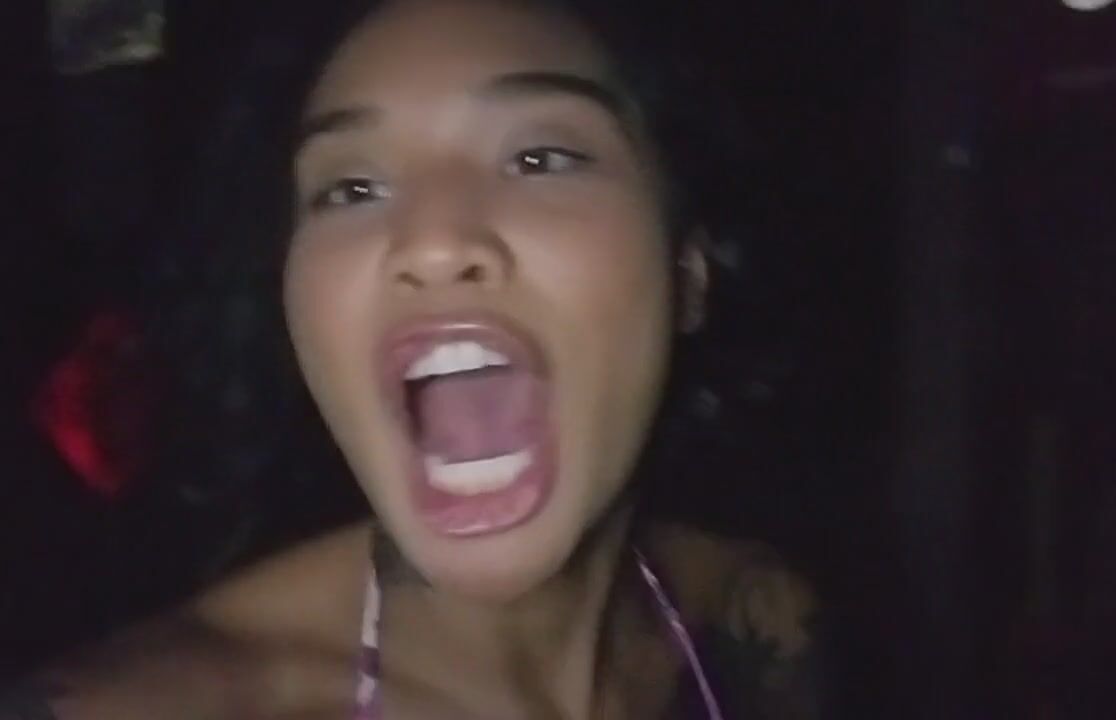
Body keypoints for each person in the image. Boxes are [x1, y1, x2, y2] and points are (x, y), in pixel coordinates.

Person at [4, 0, 827, 717]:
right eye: (351, 190)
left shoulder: (757, 619)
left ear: (688, 277)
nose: (433, 244)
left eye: (540, 158)